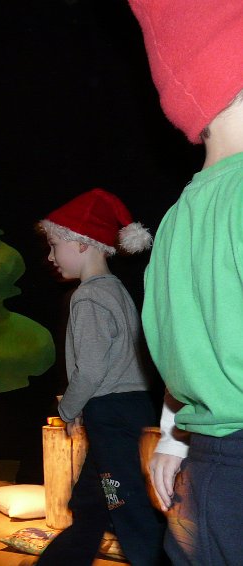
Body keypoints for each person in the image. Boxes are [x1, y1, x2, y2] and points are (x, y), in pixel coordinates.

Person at [127, 2, 243, 563]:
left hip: (208, 471)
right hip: (206, 456)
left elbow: (186, 349)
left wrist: (173, 435)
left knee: (109, 496)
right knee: (107, 493)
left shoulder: (175, 220)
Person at [35, 189, 166, 566]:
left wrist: (68, 408)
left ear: (81, 243)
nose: (50, 256)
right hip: (129, 408)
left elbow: (91, 369)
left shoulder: (88, 296)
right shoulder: (117, 290)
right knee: (91, 501)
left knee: (126, 507)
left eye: (54, 245)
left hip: (111, 412)